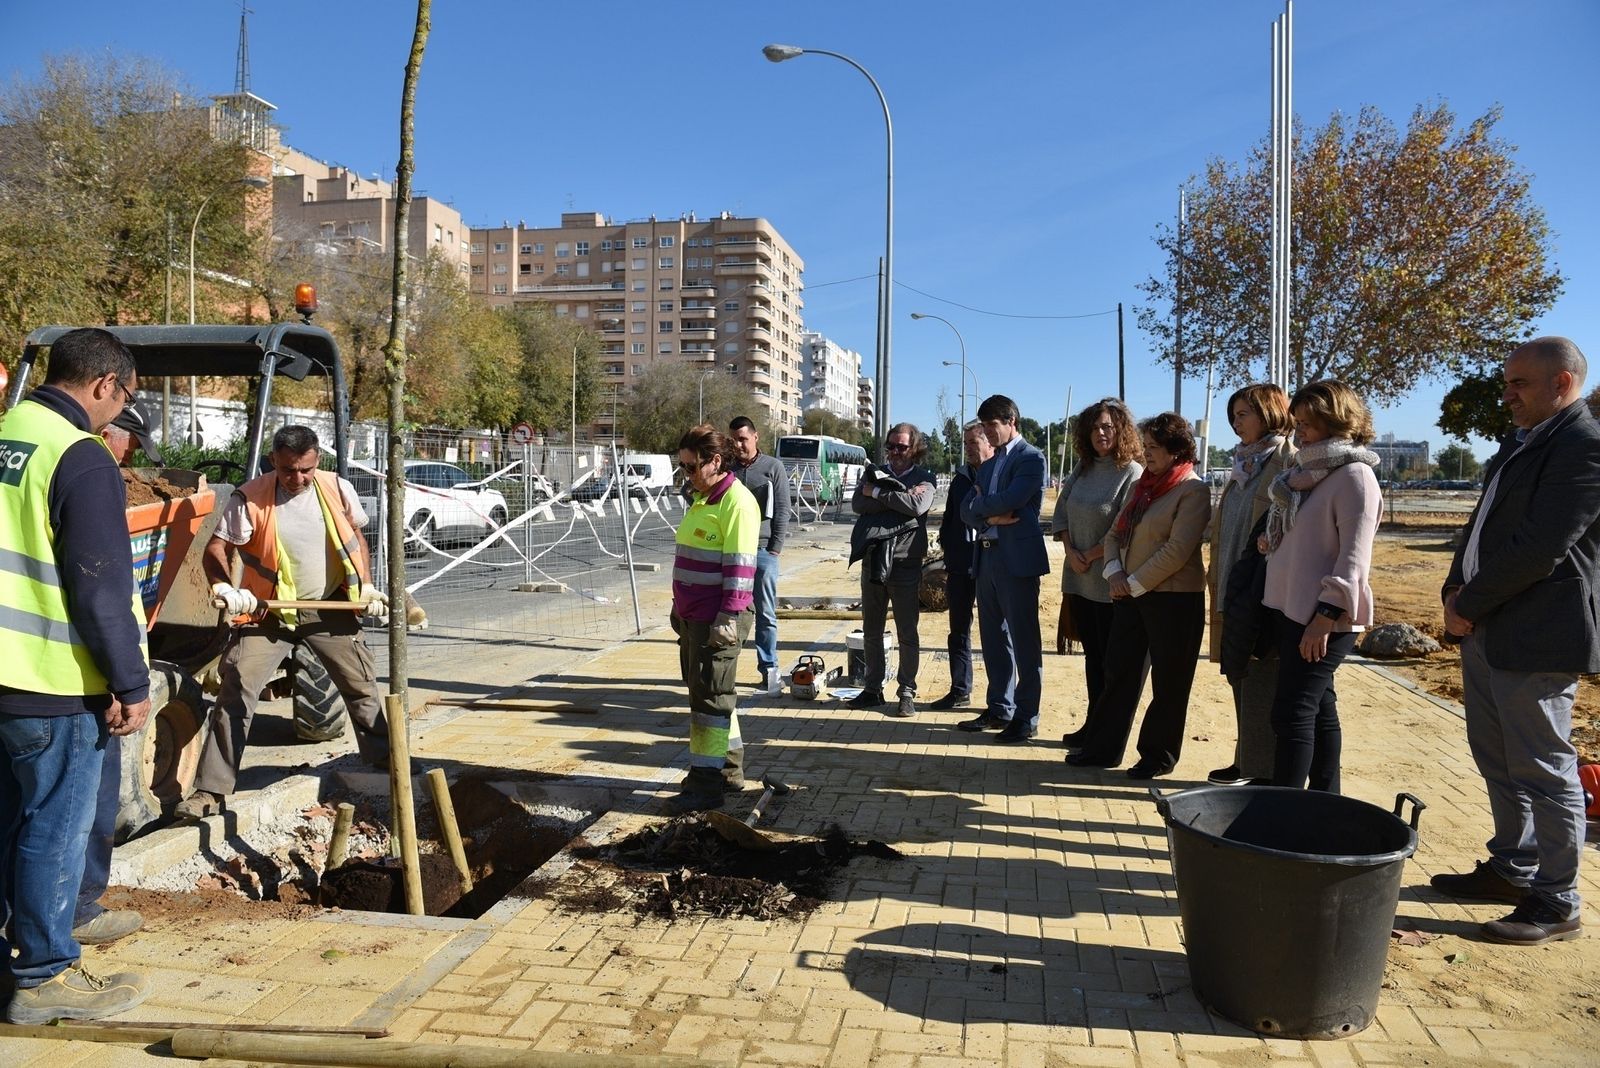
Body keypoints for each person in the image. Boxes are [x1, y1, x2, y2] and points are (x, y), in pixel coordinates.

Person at [0, 327, 152, 1024]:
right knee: (52, 829)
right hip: (49, 680)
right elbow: (99, 590)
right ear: (101, 385)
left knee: (7, 823)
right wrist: (131, 683)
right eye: (123, 398)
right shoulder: (80, 458)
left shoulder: (10, 432)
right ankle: (43, 978)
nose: (119, 413)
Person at [1432, 337, 1600, 946]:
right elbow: (1479, 526)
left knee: (1544, 766)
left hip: (1536, 633)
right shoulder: (1522, 442)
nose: (1507, 395)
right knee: (1498, 758)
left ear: (1562, 382)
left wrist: (1467, 606)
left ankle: (1558, 901)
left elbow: (1540, 547)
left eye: (1519, 384)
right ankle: (1513, 868)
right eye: (1506, 383)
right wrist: (1455, 591)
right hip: (1485, 627)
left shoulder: (1583, 446)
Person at [175, 426, 392, 821]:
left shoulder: (337, 489)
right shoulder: (251, 497)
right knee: (236, 693)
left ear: (317, 461)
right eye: (290, 470)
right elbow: (217, 548)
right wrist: (225, 586)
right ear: (274, 461)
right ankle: (210, 791)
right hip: (268, 611)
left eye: (306, 469)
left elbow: (357, 538)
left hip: (330, 607)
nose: (298, 479)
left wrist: (367, 586)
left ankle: (387, 765)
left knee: (361, 687)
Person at [1067, 413, 1209, 777]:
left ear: (1177, 451)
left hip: (1174, 600)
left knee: (1169, 683)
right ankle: (1102, 749)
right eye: (1145, 446)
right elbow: (1116, 534)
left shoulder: (1193, 490)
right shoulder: (1141, 487)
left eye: (1155, 448)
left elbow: (1177, 550)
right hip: (1130, 593)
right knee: (1119, 673)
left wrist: (1133, 583)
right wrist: (1114, 572)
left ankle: (1156, 756)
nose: (1147, 454)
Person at [1259, 380, 1381, 794]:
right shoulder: (1302, 477)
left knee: (1292, 712)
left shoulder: (1355, 477)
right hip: (1293, 609)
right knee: (1319, 707)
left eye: (1309, 424)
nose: (1300, 434)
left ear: (1336, 422)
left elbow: (1354, 558)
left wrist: (1325, 617)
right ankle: (1325, 800)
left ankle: (1285, 812)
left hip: (1323, 617)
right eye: (1298, 424)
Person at [1204, 384, 1296, 785]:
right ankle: (1245, 760)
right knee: (1238, 676)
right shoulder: (1242, 464)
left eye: (1244, 413)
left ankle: (1260, 774)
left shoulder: (1287, 462)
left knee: (1259, 684)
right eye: (1234, 414)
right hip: (1230, 587)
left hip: (1261, 594)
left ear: (1270, 412)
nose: (1236, 422)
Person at [669, 424, 759, 811]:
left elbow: (740, 569)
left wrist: (726, 617)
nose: (685, 475)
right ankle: (729, 769)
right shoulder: (703, 498)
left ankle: (705, 785)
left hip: (718, 618)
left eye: (690, 467)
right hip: (694, 617)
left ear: (715, 462)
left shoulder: (736, 503)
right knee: (714, 697)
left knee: (709, 702)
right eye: (682, 467)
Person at [957, 395, 1050, 743]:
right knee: (993, 638)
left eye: (992, 425)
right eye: (984, 426)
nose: (988, 432)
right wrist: (989, 515)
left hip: (1017, 561)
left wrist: (985, 508)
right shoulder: (990, 463)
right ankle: (1000, 707)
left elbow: (1014, 499)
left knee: (1025, 641)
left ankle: (1027, 716)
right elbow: (967, 510)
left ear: (1011, 421)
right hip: (987, 555)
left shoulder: (1031, 458)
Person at [1053, 399, 1143, 747]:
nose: (1101, 433)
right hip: (1078, 578)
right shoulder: (1083, 468)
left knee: (1110, 663)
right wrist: (1069, 550)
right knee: (1092, 658)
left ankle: (1106, 733)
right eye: (1094, 427)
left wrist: (1089, 555)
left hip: (1107, 583)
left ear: (1120, 429)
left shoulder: (1131, 473)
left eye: (1107, 426)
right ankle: (1092, 724)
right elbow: (1061, 512)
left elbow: (1122, 527)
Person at [849, 423, 936, 717]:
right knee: (872, 631)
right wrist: (885, 496)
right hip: (873, 559)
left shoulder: (925, 478)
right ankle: (872, 689)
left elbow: (916, 505)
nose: (896, 452)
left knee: (906, 632)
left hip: (905, 564)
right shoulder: (872, 473)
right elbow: (859, 504)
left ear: (915, 449)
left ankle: (906, 691)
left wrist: (879, 494)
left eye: (902, 447)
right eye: (891, 446)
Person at [929, 423, 993, 710]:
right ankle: (959, 689)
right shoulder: (960, 479)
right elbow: (950, 519)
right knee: (958, 631)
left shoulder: (999, 475)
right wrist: (950, 549)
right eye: (965, 442)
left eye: (972, 442)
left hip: (992, 564)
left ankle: (1000, 699)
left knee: (995, 633)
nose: (967, 447)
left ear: (989, 442)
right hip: (960, 565)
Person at [727, 416, 790, 689]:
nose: (738, 445)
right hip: (732, 551)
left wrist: (775, 547)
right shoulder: (726, 469)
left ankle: (769, 669)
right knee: (730, 611)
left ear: (756, 437)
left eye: (742, 439)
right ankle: (726, 668)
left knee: (766, 613)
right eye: (733, 440)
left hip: (763, 550)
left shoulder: (773, 467)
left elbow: (784, 509)